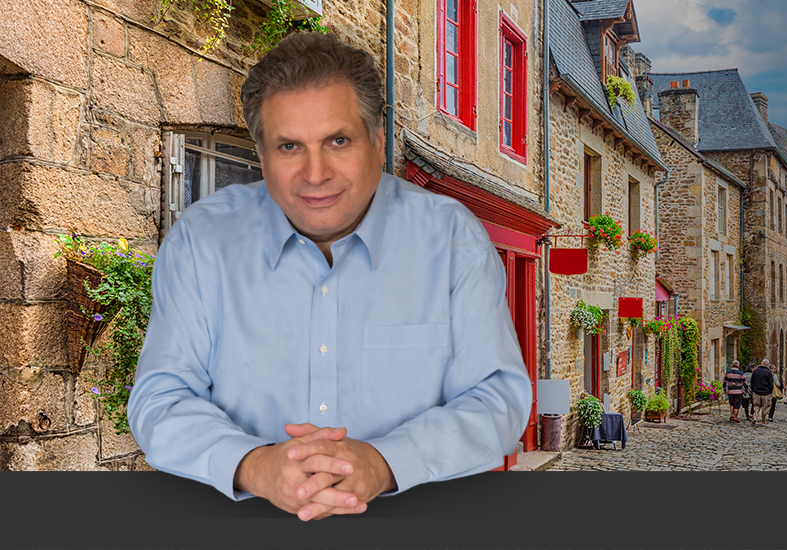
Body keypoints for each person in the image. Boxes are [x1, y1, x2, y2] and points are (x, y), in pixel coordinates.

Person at [126, 33, 531, 522]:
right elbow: (161, 398)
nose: (315, 173)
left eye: (338, 141)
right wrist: (254, 466)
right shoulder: (200, 242)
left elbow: (497, 400)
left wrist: (384, 462)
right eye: (289, 146)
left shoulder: (450, 240)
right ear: (262, 154)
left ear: (378, 144)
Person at [749, 360, 775, 427]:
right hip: (765, 393)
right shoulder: (769, 372)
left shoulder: (755, 371)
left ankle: (756, 416)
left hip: (757, 391)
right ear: (767, 365)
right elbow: (771, 383)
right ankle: (763, 421)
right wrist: (770, 391)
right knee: (765, 407)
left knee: (756, 405)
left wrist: (753, 390)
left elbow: (752, 381)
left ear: (761, 363)